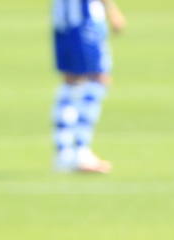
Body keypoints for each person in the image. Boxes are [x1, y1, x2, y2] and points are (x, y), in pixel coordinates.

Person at [51, 0, 126, 173]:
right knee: (97, 80)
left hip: (63, 20)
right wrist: (112, 11)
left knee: (71, 82)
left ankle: (64, 152)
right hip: (84, 20)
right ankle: (81, 151)